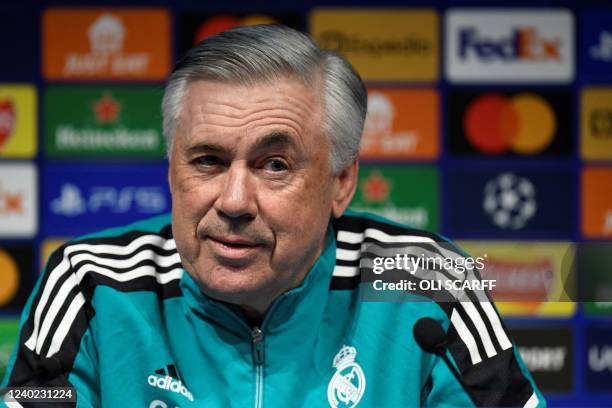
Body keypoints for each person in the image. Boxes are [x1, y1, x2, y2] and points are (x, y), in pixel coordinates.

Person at [1, 25, 544, 407]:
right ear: (171, 171)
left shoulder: (429, 282)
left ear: (341, 182)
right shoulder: (92, 284)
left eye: (275, 165)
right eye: (208, 161)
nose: (234, 201)